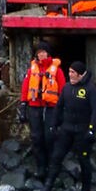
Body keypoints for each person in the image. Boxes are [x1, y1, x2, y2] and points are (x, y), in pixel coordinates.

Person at [37, 60, 96, 191]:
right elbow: (59, 107)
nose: (70, 75)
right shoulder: (66, 88)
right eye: (69, 72)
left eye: (73, 73)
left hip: (82, 131)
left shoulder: (91, 90)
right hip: (67, 129)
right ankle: (47, 187)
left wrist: (91, 129)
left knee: (83, 160)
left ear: (81, 75)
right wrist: (53, 125)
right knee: (56, 157)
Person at [19, 42, 65, 181]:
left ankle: (53, 165)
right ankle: (40, 167)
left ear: (48, 53)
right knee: (36, 137)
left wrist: (63, 108)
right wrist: (23, 105)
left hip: (51, 107)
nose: (41, 54)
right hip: (34, 106)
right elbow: (25, 88)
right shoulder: (31, 70)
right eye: (39, 52)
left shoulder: (57, 70)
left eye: (44, 52)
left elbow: (63, 88)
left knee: (50, 136)